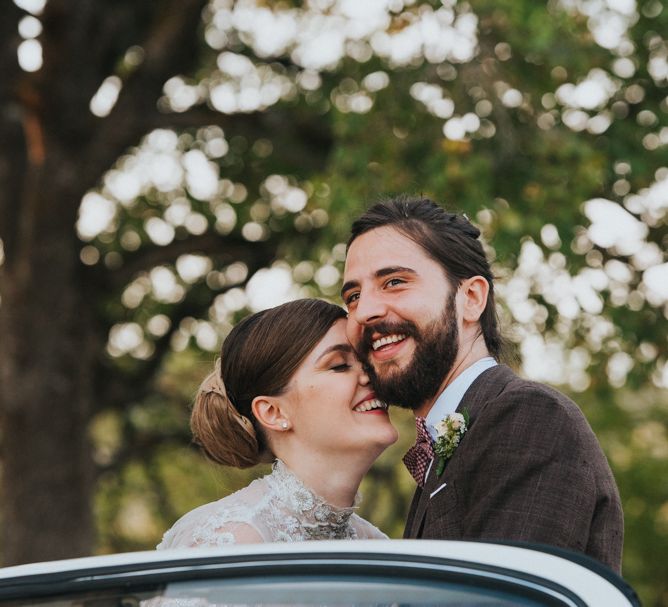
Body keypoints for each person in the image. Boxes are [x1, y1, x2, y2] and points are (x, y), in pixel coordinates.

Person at [341, 196, 624, 572]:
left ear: (471, 299)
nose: (365, 311)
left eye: (394, 282)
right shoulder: (451, 444)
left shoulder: (528, 417)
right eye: (353, 296)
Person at [157, 298, 398, 548]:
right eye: (339, 366)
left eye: (367, 362)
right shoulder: (233, 539)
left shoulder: (375, 544)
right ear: (273, 412)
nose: (371, 375)